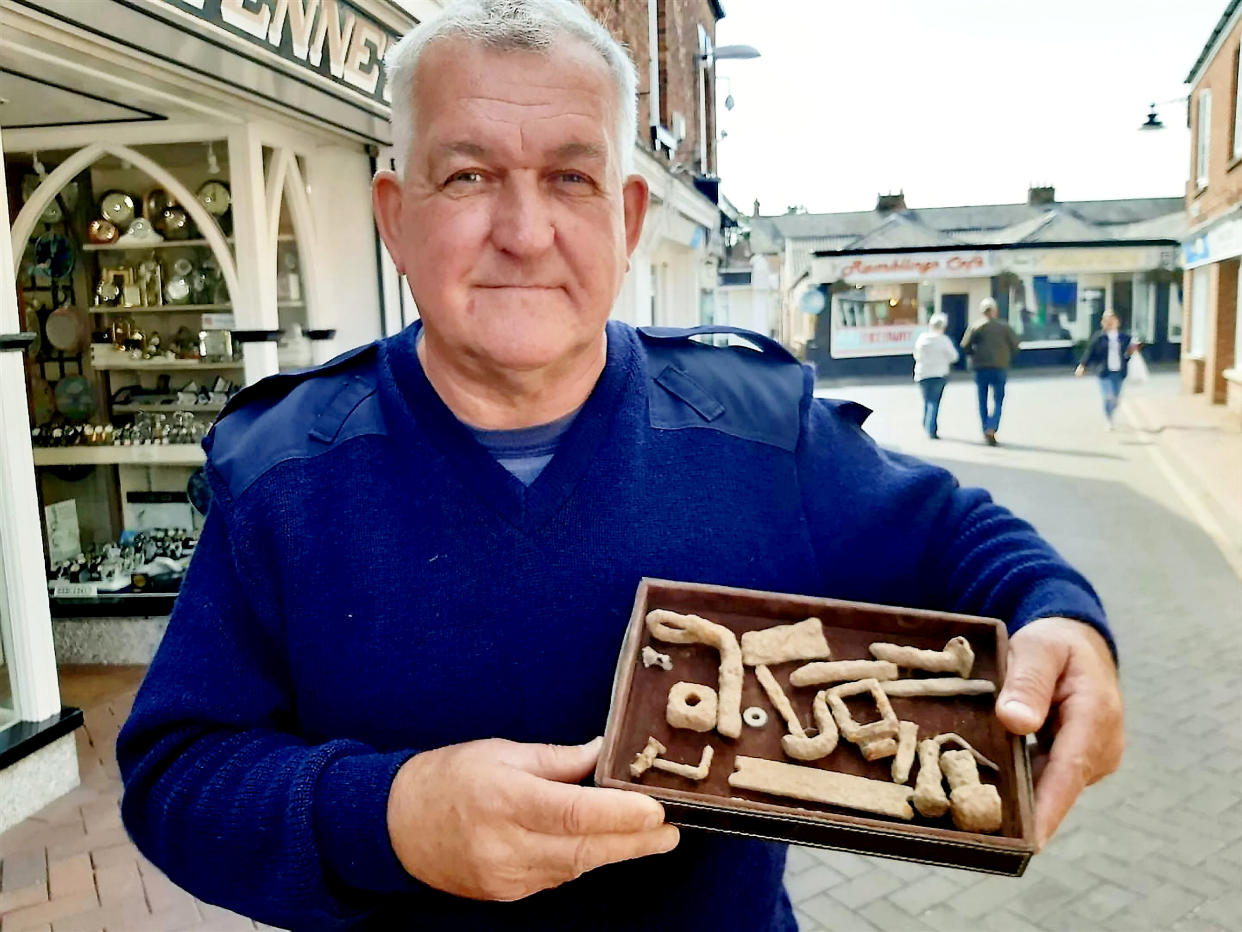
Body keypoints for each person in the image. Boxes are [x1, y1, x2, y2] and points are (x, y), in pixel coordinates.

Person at [116, 2, 1124, 929]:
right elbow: (175, 774)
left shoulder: (766, 435)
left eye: (570, 175)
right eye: (467, 175)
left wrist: (1061, 614)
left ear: (630, 217)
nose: (521, 231)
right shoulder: (284, 476)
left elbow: (963, 537)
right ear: (394, 215)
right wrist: (386, 815)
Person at [960, 297, 1021, 446]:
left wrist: (974, 354)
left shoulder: (976, 327)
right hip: (1000, 367)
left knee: (982, 399)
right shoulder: (1004, 327)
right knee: (998, 399)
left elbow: (965, 345)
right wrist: (1006, 355)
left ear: (982, 312)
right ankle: (992, 427)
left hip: (981, 367)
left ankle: (985, 428)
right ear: (995, 311)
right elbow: (1016, 345)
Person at [1076, 310, 1140, 429]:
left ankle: (1111, 414)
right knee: (1108, 397)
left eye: (1112, 319)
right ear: (1103, 323)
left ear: (1117, 322)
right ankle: (1109, 420)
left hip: (1119, 372)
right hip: (1103, 372)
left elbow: (1129, 354)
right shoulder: (1099, 338)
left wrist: (1134, 349)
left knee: (1116, 399)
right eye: (1106, 320)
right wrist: (1082, 366)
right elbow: (1090, 353)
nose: (1109, 322)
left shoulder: (1125, 338)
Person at [912, 313, 959, 439]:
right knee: (934, 402)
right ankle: (931, 428)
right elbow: (954, 357)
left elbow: (916, 355)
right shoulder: (944, 340)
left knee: (927, 400)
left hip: (923, 374)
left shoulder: (922, 339)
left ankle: (927, 423)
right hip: (939, 374)